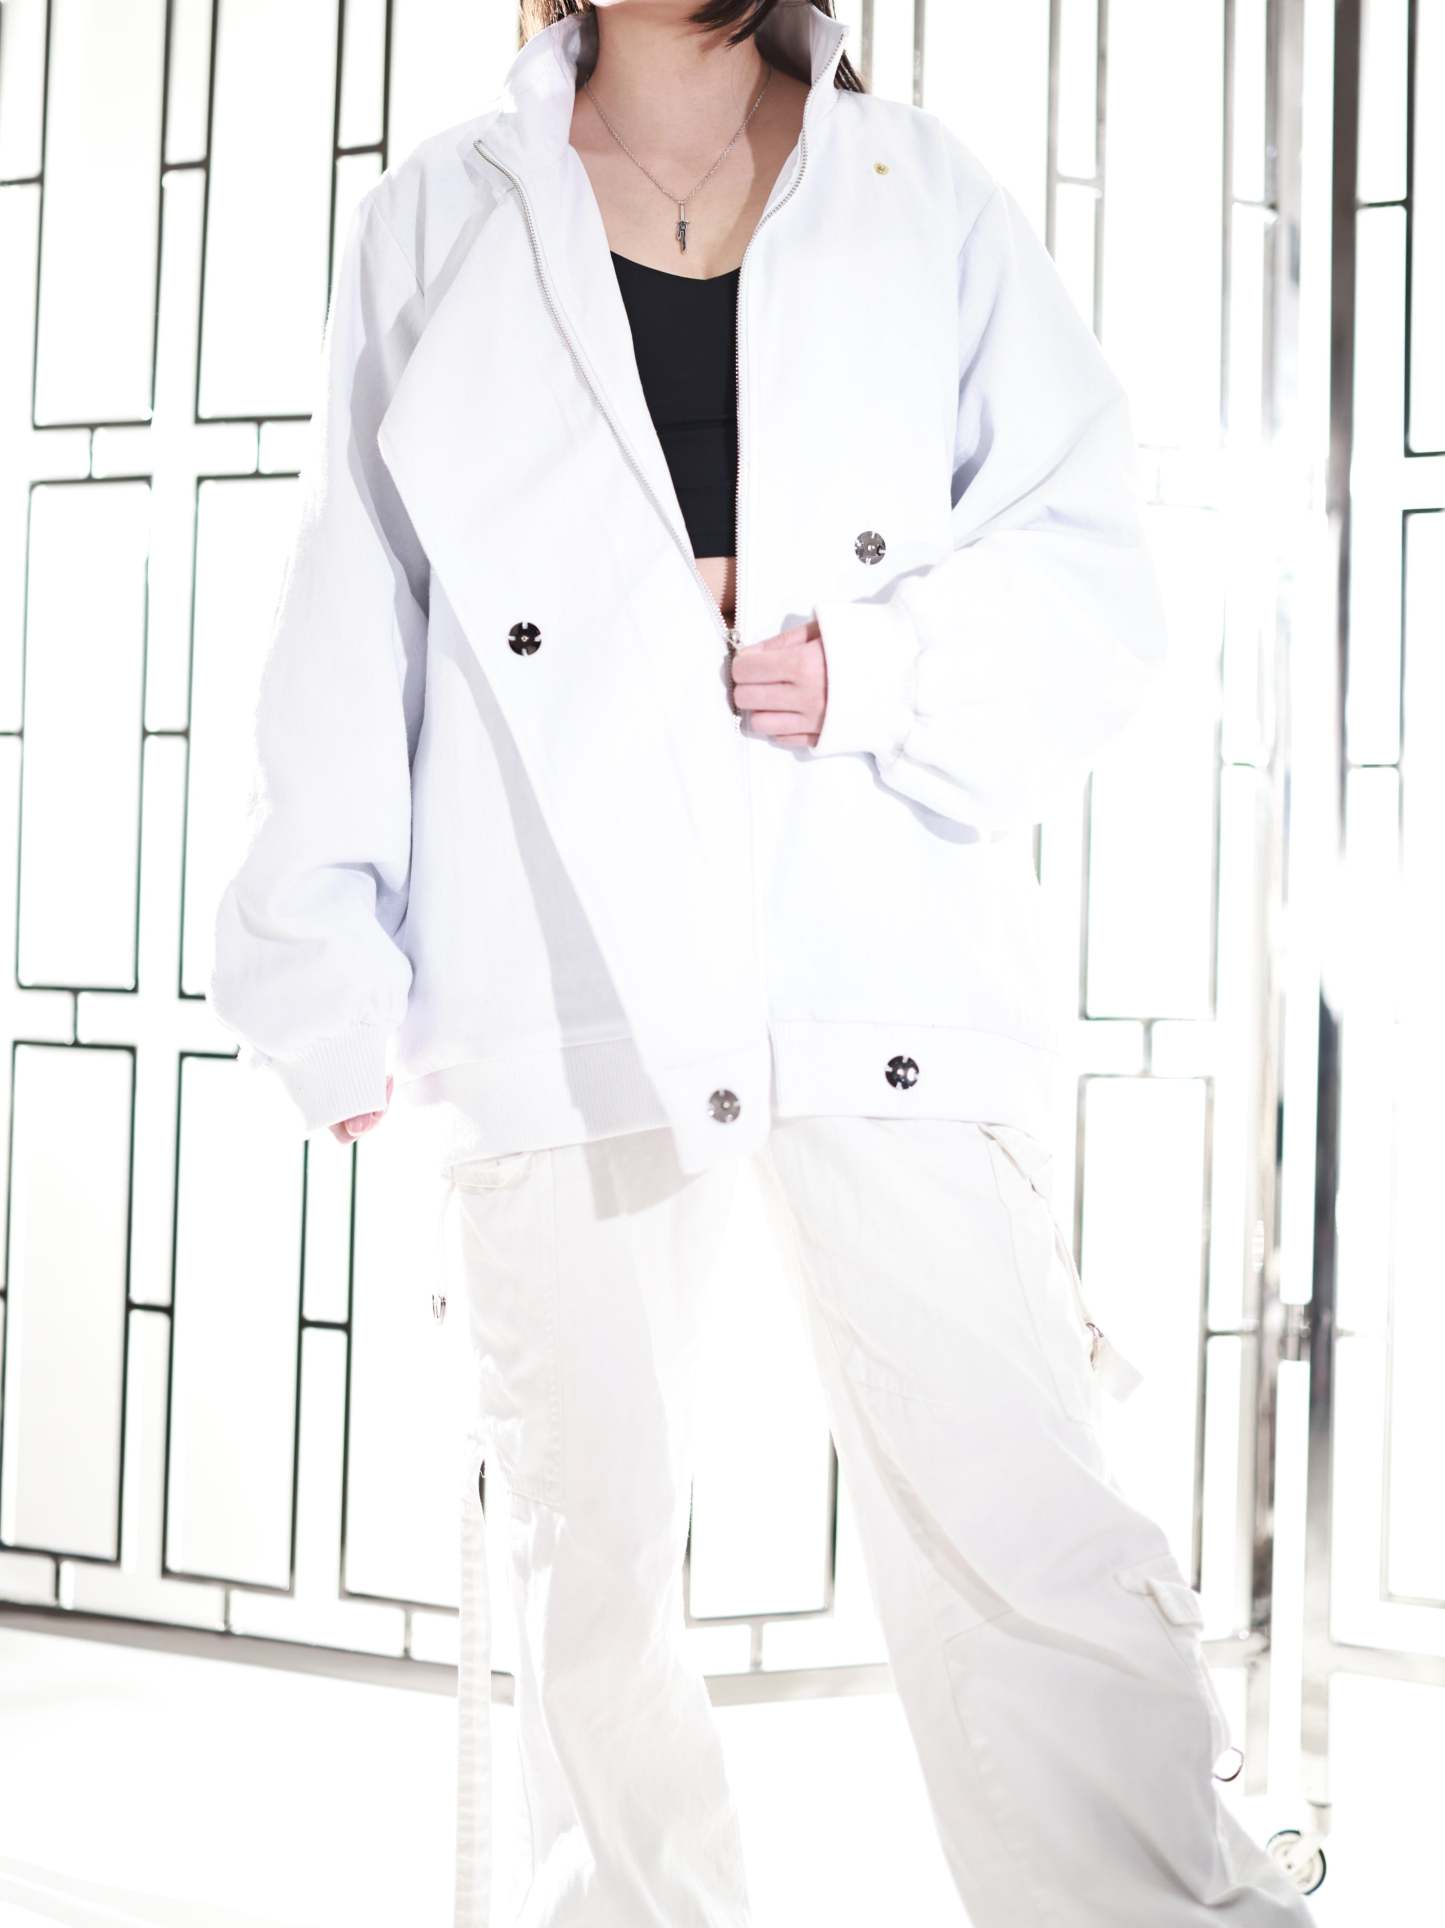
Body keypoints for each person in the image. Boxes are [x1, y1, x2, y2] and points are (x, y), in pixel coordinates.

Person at [208, 2, 1320, 1922]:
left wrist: (878, 672)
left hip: (868, 938)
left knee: (1021, 1518)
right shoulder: (441, 216)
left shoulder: (918, 194)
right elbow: (352, 589)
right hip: (549, 946)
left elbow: (1086, 554)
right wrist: (318, 954)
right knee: (592, 1567)